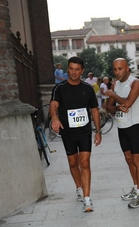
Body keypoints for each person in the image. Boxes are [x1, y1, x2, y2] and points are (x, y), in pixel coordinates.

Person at [49, 56, 102, 212]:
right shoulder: (60, 89)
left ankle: (87, 198)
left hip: (84, 131)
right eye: (71, 69)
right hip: (68, 132)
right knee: (73, 163)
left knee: (84, 162)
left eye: (77, 69)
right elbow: (53, 105)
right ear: (68, 69)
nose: (73, 72)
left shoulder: (87, 88)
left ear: (82, 71)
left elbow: (94, 110)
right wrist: (54, 117)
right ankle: (79, 187)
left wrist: (98, 131)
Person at [105, 59, 139, 209]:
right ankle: (135, 188)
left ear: (127, 69)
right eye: (115, 69)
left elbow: (128, 103)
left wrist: (114, 96)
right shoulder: (115, 84)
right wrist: (117, 108)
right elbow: (108, 107)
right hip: (121, 125)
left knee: (137, 159)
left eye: (120, 69)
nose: (117, 72)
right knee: (128, 159)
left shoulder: (136, 83)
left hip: (134, 124)